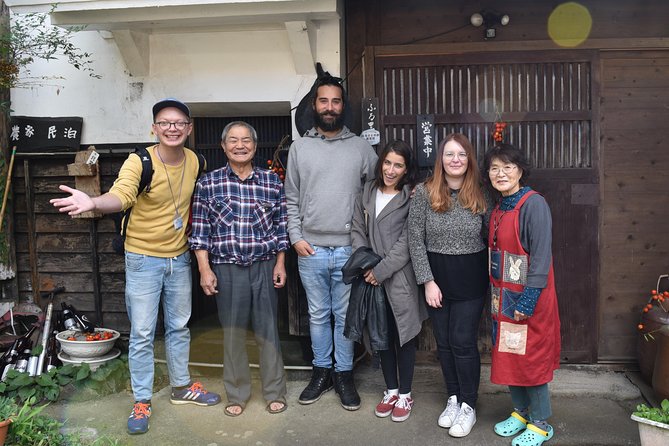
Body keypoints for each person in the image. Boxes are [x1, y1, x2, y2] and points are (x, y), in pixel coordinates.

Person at [50, 98, 221, 435]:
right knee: (143, 332)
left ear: (189, 129)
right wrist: (94, 202)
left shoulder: (196, 161)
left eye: (179, 122)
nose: (172, 128)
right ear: (154, 128)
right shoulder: (138, 161)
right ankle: (142, 399)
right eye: (164, 122)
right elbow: (122, 195)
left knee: (179, 327)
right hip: (143, 258)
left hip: (179, 257)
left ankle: (181, 387)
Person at [285, 76, 378, 411]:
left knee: (344, 316)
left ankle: (344, 375)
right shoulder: (300, 148)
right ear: (315, 106)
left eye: (335, 101)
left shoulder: (361, 149)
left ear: (343, 107)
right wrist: (296, 238)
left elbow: (372, 198)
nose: (329, 107)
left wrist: (362, 246)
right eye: (323, 101)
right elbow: (291, 199)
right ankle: (321, 372)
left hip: (347, 250)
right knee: (318, 314)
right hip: (309, 248)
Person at [189, 121, 289, 417]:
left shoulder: (271, 181)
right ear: (223, 146)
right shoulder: (208, 183)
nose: (240, 145)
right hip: (227, 268)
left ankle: (274, 391)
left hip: (264, 264)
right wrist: (204, 270)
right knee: (232, 334)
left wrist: (280, 263)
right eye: (233, 140)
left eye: (246, 140)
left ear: (255, 147)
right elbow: (200, 232)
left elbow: (281, 228)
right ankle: (237, 393)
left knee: (267, 331)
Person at [408, 133, 490, 438]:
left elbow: (493, 236)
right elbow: (415, 239)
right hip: (436, 278)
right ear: (440, 159)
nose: (455, 160)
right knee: (443, 342)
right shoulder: (425, 193)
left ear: (469, 160)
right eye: (449, 154)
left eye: (462, 155)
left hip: (471, 277)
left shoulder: (482, 194)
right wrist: (427, 281)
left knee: (463, 342)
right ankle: (453, 398)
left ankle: (469, 404)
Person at [483, 143, 561, 446]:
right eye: (494, 168)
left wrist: (528, 300)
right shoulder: (500, 207)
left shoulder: (533, 204)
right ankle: (520, 412)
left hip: (530, 299)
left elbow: (541, 258)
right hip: (502, 298)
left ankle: (541, 424)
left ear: (521, 170)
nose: (500, 173)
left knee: (531, 361)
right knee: (509, 355)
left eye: (508, 167)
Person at [350, 140, 427, 422]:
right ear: (380, 162)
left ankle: (405, 394)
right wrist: (366, 262)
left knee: (403, 335)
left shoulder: (412, 196)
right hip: (370, 275)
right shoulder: (367, 190)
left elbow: (408, 241)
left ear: (406, 169)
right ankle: (391, 390)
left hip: (399, 277)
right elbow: (357, 228)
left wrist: (381, 270)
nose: (391, 170)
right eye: (387, 163)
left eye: (398, 165)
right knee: (381, 336)